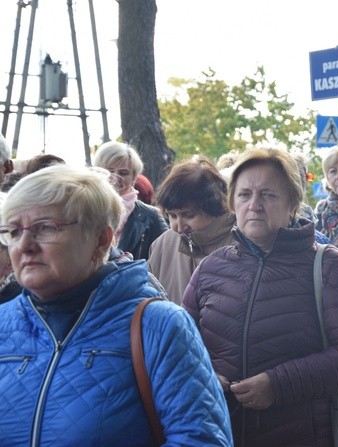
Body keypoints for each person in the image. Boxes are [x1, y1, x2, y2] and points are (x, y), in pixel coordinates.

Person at [0, 165, 233, 446]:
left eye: (46, 228)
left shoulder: (159, 326)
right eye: (13, 231)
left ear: (101, 240)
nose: (24, 245)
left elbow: (202, 439)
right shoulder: (3, 324)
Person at [182, 148, 338, 446]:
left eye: (269, 195)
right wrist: (207, 373)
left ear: (292, 203)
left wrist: (278, 385)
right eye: (244, 194)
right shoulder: (211, 268)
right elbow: (182, 345)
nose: (255, 205)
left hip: (305, 434)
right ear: (232, 202)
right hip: (222, 433)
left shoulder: (330, 266)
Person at [148, 156, 236, 304]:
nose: (179, 227)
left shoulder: (243, 243)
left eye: (188, 215)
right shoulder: (161, 245)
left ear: (215, 207)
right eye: (172, 215)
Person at [92, 141, 168, 260]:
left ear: (134, 178)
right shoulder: (84, 210)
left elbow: (167, 258)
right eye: (110, 171)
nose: (115, 178)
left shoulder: (151, 216)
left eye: (123, 173)